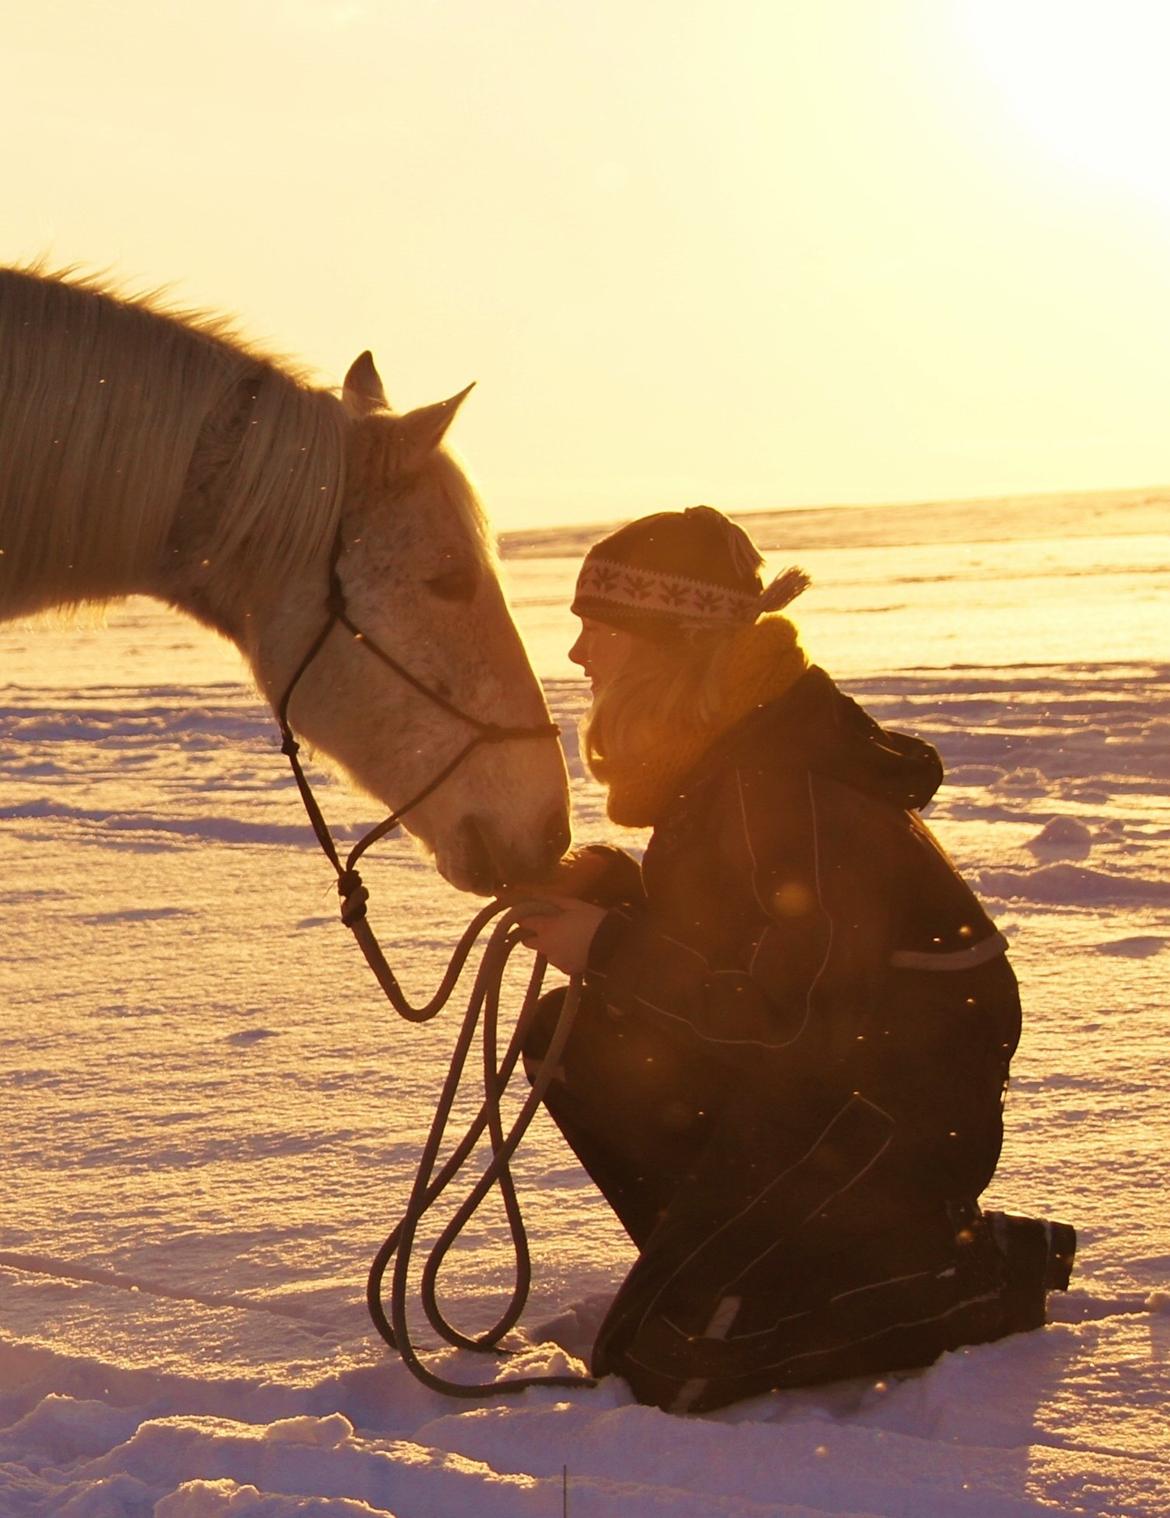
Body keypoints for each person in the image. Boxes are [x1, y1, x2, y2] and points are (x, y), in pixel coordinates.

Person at [515, 504, 1074, 1415]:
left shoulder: (782, 780)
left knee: (666, 1359)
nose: (577, 654)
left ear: (664, 640)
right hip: (807, 1100)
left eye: (595, 627)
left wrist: (612, 945)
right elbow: (737, 949)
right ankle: (736, 1267)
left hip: (885, 1123)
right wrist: (613, 898)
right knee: (571, 1033)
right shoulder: (731, 753)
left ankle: (983, 1279)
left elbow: (801, 1020)